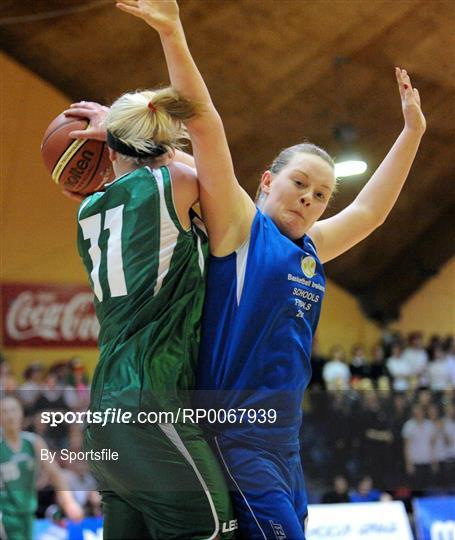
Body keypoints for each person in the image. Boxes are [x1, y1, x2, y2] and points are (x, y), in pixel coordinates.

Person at [116, 1, 426, 538]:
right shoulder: (239, 227)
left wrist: (412, 133)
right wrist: (173, 30)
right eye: (300, 183)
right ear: (265, 181)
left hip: (286, 443)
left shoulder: (311, 249)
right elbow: (205, 124)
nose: (311, 198)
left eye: (323, 195)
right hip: (234, 439)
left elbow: (371, 213)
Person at [65, 90, 235, 536]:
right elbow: (229, 186)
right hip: (151, 407)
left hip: (105, 413)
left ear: (111, 148)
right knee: (214, 529)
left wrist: (119, 136)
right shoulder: (174, 182)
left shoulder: (86, 209)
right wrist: (127, 135)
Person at [0, 396, 83, 540]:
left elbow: (55, 473)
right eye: (5, 411)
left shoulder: (34, 442)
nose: (10, 415)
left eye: (13, 410)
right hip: (6, 515)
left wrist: (69, 502)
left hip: (28, 512)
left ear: (21, 414)